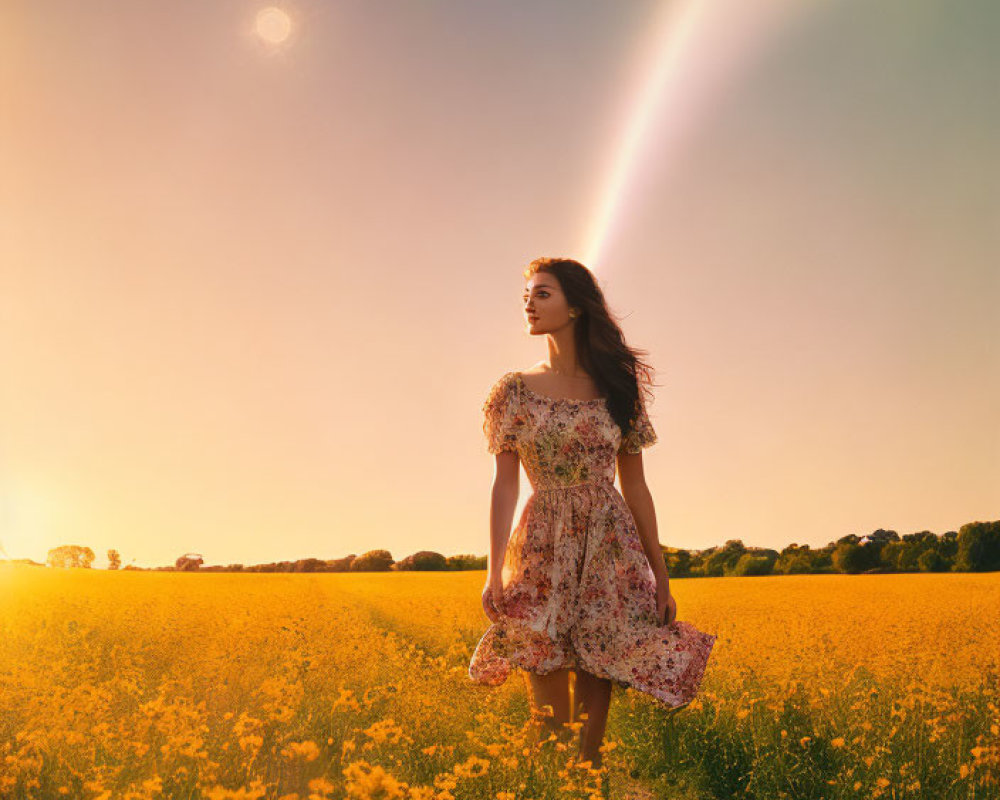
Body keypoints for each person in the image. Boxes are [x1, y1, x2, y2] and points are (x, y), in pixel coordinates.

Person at [468, 257, 717, 769]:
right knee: (548, 706)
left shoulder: (617, 389)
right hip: (540, 544)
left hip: (609, 545)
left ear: (576, 307)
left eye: (543, 294)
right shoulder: (512, 391)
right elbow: (504, 486)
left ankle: (590, 782)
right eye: (527, 295)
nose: (529, 304)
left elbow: (637, 486)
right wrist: (494, 571)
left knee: (595, 706)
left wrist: (661, 575)